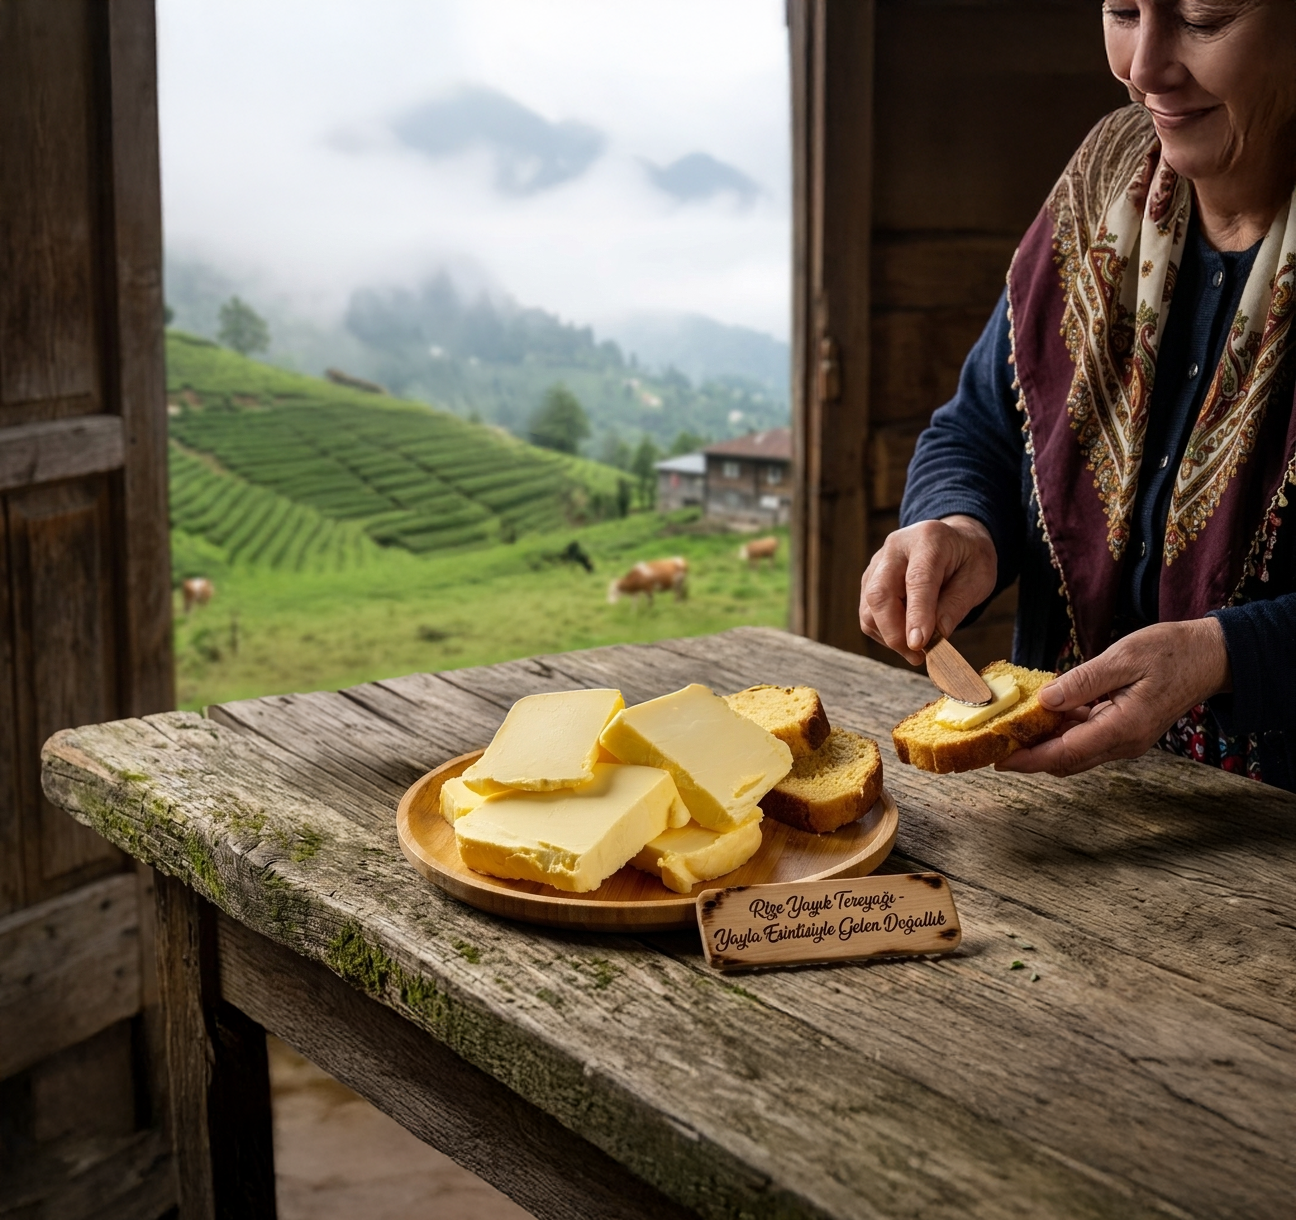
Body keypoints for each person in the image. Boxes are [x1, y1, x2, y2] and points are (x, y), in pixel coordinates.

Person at [858, 1, 1296, 787]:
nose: (1143, 68)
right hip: (1066, 811)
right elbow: (981, 428)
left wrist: (1221, 655)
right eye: (1123, 10)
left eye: (1203, 18)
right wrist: (962, 525)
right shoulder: (1106, 179)